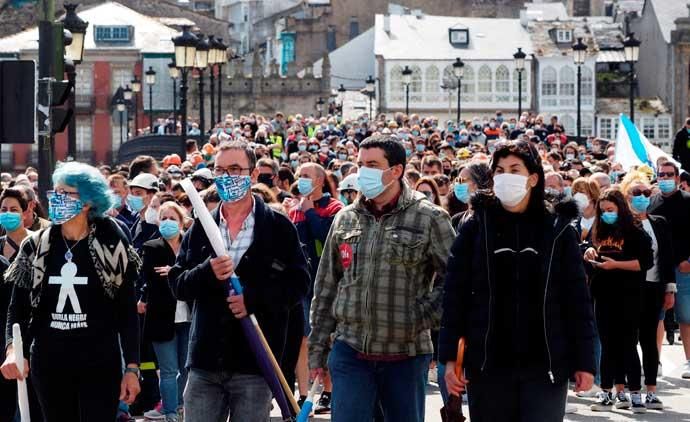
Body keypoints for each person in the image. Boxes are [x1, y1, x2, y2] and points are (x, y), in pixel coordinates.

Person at [440, 140, 596, 421]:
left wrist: (585, 361)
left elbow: (577, 299)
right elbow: (454, 294)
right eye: (499, 170)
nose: (505, 176)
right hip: (488, 366)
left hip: (544, 367)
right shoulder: (476, 225)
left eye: (515, 169)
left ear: (533, 178)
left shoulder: (558, 228)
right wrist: (450, 358)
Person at [309, 135, 455, 422]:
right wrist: (317, 349)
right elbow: (326, 285)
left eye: (373, 164)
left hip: (406, 356)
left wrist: (422, 314)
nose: (363, 172)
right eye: (360, 164)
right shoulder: (346, 218)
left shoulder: (430, 217)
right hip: (350, 352)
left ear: (396, 170)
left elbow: (455, 280)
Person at [169, 141, 310, 422]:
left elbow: (299, 284)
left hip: (255, 364)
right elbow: (179, 284)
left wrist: (254, 299)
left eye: (235, 170)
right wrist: (206, 272)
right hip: (205, 364)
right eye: (220, 170)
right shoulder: (201, 228)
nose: (227, 177)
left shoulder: (278, 228)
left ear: (253, 174)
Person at [1, 162, 141, 421]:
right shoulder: (35, 246)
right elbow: (17, 308)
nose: (56, 198)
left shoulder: (111, 241)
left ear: (87, 201)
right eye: (54, 192)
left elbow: (126, 311)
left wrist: (132, 367)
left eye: (65, 193)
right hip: (49, 363)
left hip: (100, 363)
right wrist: (13, 351)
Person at [584, 189, 653, 413]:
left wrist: (616, 265)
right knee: (607, 345)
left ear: (620, 208)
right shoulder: (599, 230)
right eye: (603, 211)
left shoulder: (634, 231)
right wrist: (590, 253)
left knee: (628, 345)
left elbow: (644, 262)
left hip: (629, 295)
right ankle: (609, 392)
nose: (606, 214)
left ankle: (635, 394)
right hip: (603, 294)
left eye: (610, 210)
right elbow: (593, 252)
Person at [288, 162, 343, 413]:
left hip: (327, 283)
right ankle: (302, 393)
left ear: (320, 180)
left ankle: (328, 392)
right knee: (302, 340)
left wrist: (310, 212)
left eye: (307, 176)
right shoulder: (294, 209)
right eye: (300, 176)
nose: (302, 180)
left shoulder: (335, 208)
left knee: (327, 339)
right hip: (301, 284)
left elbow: (328, 237)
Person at [621, 171, 676, 410]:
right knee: (629, 341)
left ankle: (651, 390)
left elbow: (667, 257)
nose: (642, 197)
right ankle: (634, 391)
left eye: (646, 193)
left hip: (654, 289)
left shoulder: (659, 223)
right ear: (627, 196)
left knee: (649, 342)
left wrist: (670, 289)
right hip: (628, 291)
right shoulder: (621, 226)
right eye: (637, 193)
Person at [140, 202, 191, 422]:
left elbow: (195, 274)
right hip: (162, 318)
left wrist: (173, 271)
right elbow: (151, 278)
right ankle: (171, 413)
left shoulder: (190, 245)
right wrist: (180, 273)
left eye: (172, 218)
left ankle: (181, 407)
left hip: (188, 317)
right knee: (169, 370)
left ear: (181, 222)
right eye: (164, 218)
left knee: (187, 368)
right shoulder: (152, 247)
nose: (168, 222)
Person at [0, 189, 43, 421]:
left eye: (14, 210)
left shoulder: (38, 247)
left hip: (31, 333)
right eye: (4, 210)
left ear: (27, 212)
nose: (8, 214)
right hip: (5, 335)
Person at [647, 161, 690, 378]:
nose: (664, 178)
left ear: (677, 177)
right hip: (658, 267)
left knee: (687, 316)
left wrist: (687, 260)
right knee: (657, 315)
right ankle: (655, 361)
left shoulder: (687, 201)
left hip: (683, 268)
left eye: (669, 174)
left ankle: (689, 360)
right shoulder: (651, 202)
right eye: (660, 174)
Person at [128, 172, 161, 253]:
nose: (134, 197)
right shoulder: (138, 219)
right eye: (132, 193)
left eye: (138, 193)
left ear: (152, 195)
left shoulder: (157, 222)